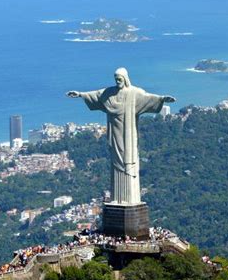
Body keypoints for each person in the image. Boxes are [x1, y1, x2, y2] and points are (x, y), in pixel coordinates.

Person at [67, 68, 176, 204]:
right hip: (115, 134)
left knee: (128, 161)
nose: (118, 81)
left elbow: (148, 98)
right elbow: (95, 95)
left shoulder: (134, 93)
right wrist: (79, 94)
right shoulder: (109, 93)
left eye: (120, 78)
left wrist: (162, 99)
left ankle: (129, 199)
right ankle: (117, 199)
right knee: (116, 162)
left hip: (128, 135)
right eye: (116, 79)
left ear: (125, 78)